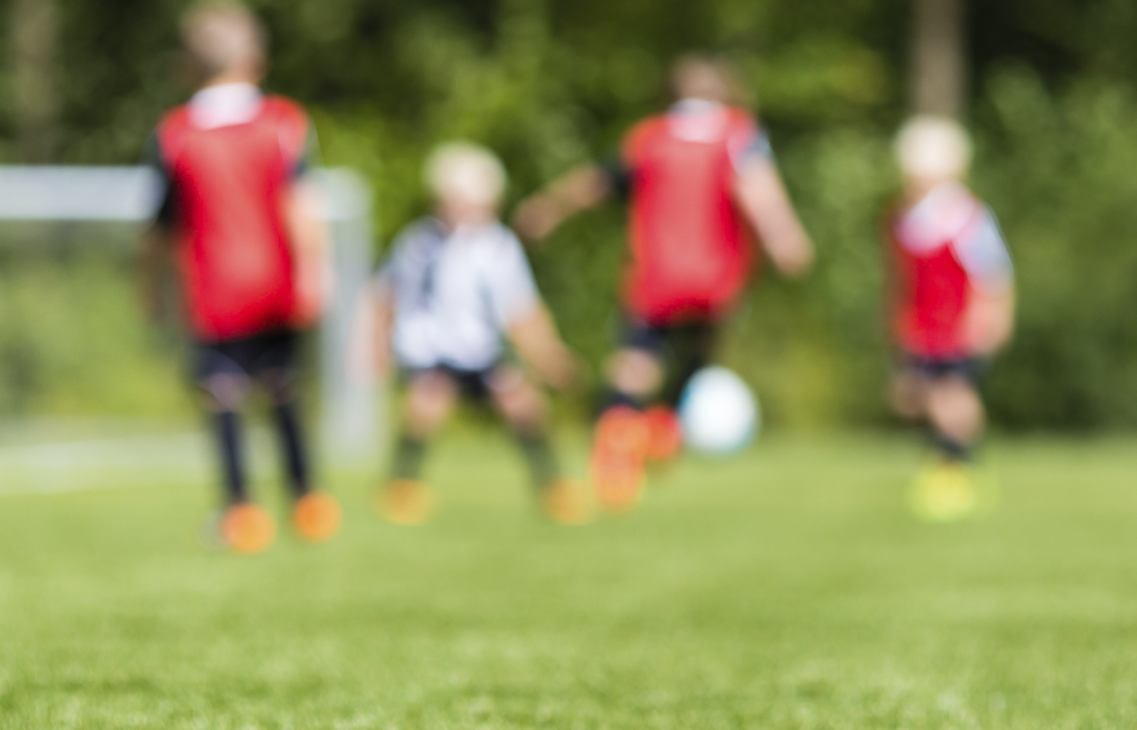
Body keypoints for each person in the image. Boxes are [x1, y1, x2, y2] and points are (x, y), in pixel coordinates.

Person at [514, 54, 815, 511]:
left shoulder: (651, 138)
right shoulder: (738, 133)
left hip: (655, 275)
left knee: (635, 363)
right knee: (698, 354)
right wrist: (784, 237)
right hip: (715, 276)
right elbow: (757, 188)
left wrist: (548, 208)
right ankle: (662, 429)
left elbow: (597, 182)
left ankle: (616, 451)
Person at [141, 0, 342, 552]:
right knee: (283, 385)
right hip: (277, 280)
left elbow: (160, 226)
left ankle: (241, 510)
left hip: (213, 287)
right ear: (256, 58)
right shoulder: (284, 123)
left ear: (186, 65)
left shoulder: (174, 134)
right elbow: (301, 206)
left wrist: (150, 287)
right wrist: (315, 271)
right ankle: (308, 500)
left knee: (222, 393)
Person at [374, 142, 588, 526]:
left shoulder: (497, 246)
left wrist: (548, 355)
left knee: (522, 402)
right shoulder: (418, 243)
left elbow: (522, 310)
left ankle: (551, 486)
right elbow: (386, 294)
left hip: (480, 348)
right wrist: (375, 346)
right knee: (426, 403)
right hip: (431, 348)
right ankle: (401, 487)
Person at [885, 116, 1015, 521]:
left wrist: (994, 316)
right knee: (914, 397)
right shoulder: (902, 219)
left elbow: (993, 273)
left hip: (960, 324)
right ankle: (946, 460)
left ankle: (957, 468)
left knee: (954, 397)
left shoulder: (968, 217)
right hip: (920, 327)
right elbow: (899, 278)